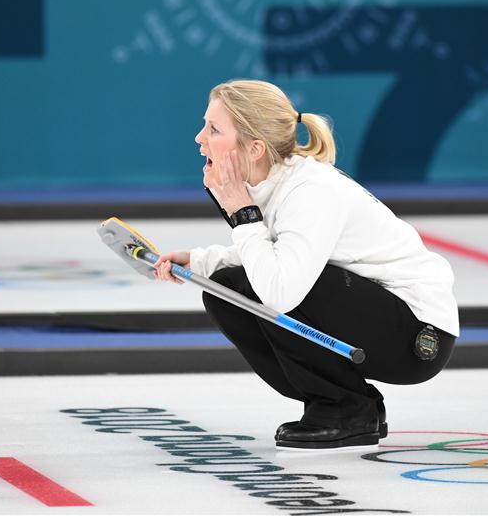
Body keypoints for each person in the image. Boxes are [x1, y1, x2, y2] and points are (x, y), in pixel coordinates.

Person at [153, 79, 459, 451]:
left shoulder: (310, 190)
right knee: (226, 288)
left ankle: (346, 409)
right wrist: (201, 261)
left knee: (280, 287)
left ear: (254, 148)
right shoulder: (275, 183)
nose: (200, 138)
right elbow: (270, 253)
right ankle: (345, 403)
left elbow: (281, 290)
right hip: (380, 317)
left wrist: (241, 213)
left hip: (418, 335)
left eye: (214, 129)